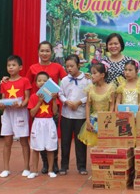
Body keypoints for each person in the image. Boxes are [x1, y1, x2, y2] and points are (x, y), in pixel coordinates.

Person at [25, 41, 67, 174]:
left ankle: (53, 164)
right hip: (37, 106)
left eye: (47, 51)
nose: (45, 53)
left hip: (53, 106)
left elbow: (66, 81)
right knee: (39, 137)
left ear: (52, 52)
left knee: (52, 137)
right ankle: (44, 164)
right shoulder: (33, 68)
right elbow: (25, 84)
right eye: (42, 51)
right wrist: (7, 80)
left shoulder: (58, 67)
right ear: (38, 52)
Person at [0, 55, 31, 178]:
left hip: (20, 113)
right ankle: (6, 168)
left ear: (20, 67)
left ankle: (26, 167)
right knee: (7, 141)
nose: (11, 68)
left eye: (13, 65)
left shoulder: (25, 80)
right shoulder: (4, 82)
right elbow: (3, 99)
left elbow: (27, 97)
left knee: (23, 141)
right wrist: (0, 105)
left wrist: (22, 105)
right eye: (9, 65)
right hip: (8, 114)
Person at [58, 55, 91, 175]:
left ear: (78, 65)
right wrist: (66, 101)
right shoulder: (65, 80)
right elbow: (60, 93)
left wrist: (79, 102)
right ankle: (64, 166)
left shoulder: (87, 79)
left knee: (80, 142)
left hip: (80, 114)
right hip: (66, 114)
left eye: (72, 66)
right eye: (67, 66)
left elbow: (90, 95)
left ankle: (81, 166)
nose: (69, 69)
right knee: (65, 141)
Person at [27, 72, 58, 179]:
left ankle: (50, 170)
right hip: (38, 122)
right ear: (36, 83)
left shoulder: (52, 96)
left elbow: (54, 112)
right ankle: (34, 170)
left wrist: (54, 99)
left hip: (49, 122)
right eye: (39, 80)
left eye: (45, 81)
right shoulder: (33, 97)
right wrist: (39, 102)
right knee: (36, 147)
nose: (42, 83)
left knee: (50, 147)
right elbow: (32, 113)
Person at [78, 62, 116, 151]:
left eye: (95, 73)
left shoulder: (111, 88)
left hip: (106, 121)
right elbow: (88, 105)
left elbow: (112, 105)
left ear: (102, 75)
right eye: (92, 73)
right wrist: (87, 121)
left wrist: (108, 119)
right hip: (93, 121)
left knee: (106, 148)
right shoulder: (90, 88)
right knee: (95, 149)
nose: (92, 76)